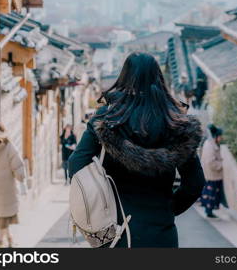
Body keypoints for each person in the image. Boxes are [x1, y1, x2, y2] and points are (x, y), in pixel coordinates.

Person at [69, 52, 205, 248]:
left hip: (116, 232)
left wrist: (101, 204)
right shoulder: (176, 122)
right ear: (159, 78)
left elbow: (77, 163)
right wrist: (167, 209)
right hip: (162, 233)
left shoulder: (107, 119)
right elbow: (195, 183)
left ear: (124, 77)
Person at [199, 124, 224, 218]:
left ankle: (209, 210)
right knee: (211, 194)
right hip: (213, 174)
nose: (221, 138)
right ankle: (209, 211)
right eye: (220, 136)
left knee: (210, 193)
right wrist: (221, 165)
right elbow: (210, 162)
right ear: (216, 136)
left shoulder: (209, 143)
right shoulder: (211, 146)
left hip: (211, 174)